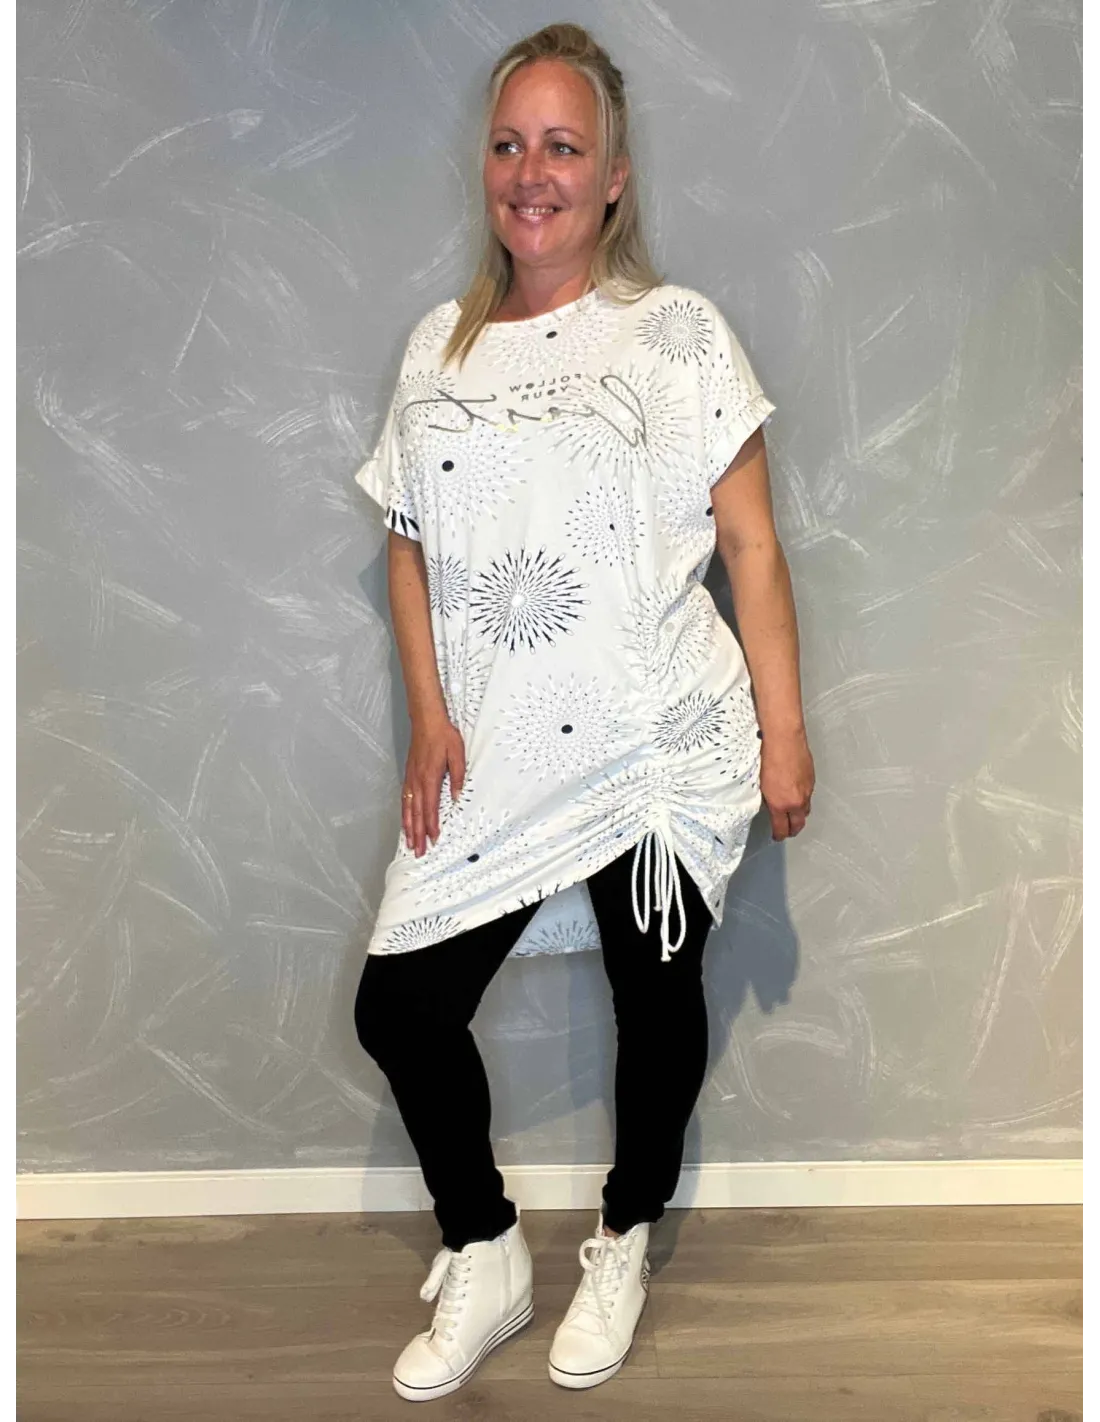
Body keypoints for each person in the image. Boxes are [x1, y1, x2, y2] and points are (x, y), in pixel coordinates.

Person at [352, 21, 815, 1405]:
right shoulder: (437, 349)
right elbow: (407, 542)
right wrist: (430, 715)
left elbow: (752, 546)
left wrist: (785, 733)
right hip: (498, 747)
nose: (531, 172)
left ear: (613, 174)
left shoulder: (675, 335)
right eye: (510, 144)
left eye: (563, 146)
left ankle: (622, 1236)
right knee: (399, 1006)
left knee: (654, 998)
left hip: (656, 737)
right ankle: (484, 1247)